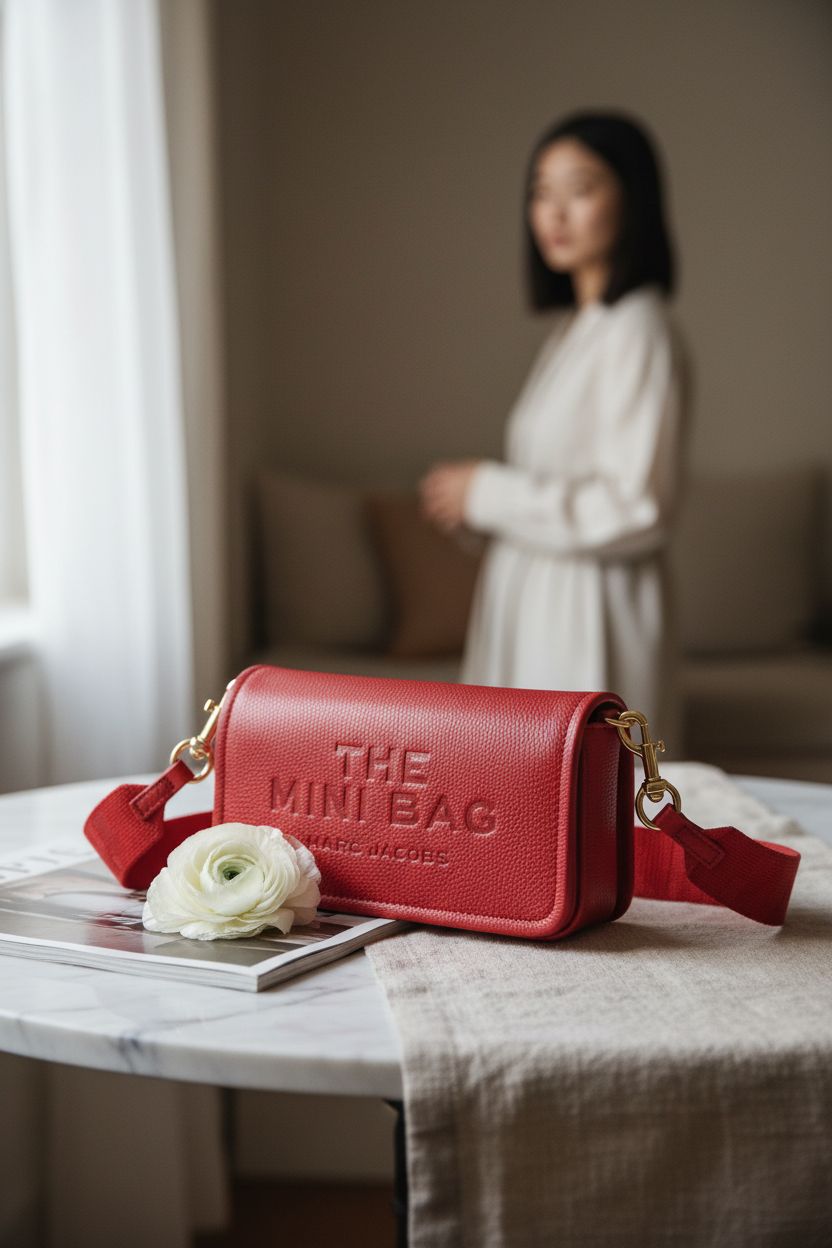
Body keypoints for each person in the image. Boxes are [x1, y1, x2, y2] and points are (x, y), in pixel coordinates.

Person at [418, 109, 692, 752]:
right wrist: (474, 506)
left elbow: (638, 505)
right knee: (522, 803)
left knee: (581, 810)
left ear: (632, 199)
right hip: (537, 595)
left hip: (587, 609)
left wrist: (488, 491)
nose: (555, 213)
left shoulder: (638, 329)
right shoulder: (579, 329)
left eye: (581, 188)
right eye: (541, 192)